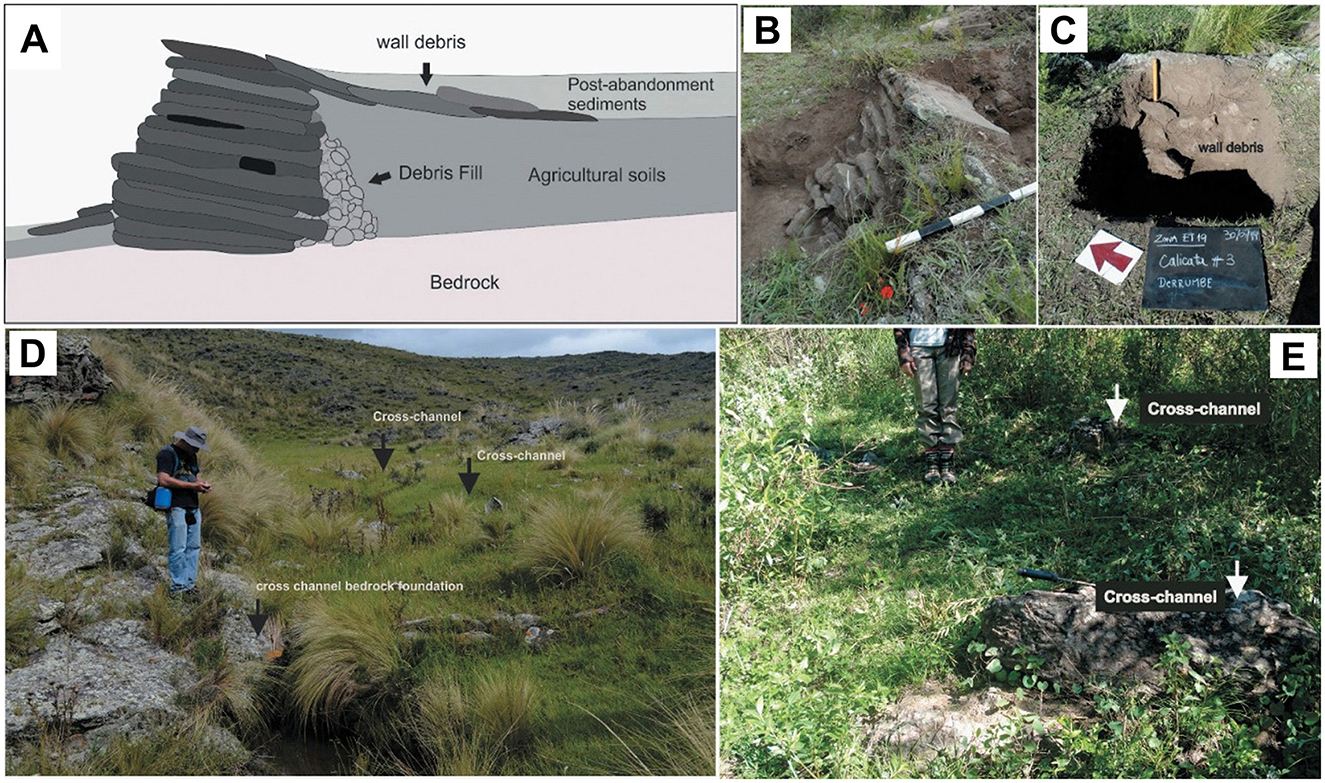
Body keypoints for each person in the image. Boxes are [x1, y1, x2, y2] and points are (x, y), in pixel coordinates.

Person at [894, 329, 976, 485]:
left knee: (948, 406)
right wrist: (904, 353)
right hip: (918, 347)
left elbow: (967, 327)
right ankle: (932, 460)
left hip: (950, 346)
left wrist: (968, 352)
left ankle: (947, 461)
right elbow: (899, 328)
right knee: (926, 406)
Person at [156, 425, 212, 595]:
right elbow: (163, 480)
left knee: (194, 547)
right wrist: (192, 485)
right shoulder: (166, 454)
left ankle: (189, 584)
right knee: (178, 547)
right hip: (176, 506)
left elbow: (195, 476)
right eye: (195, 445)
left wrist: (201, 485)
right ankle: (178, 586)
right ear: (186, 441)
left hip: (193, 506)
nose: (196, 449)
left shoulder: (192, 456)